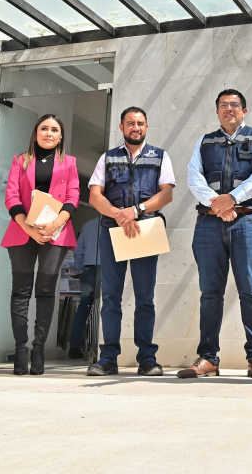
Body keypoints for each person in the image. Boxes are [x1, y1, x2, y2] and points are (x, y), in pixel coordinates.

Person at [179, 89, 252, 379]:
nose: (228, 108)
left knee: (251, 291)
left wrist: (232, 198)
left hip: (248, 222)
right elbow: (194, 177)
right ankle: (208, 359)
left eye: (234, 105)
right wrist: (217, 204)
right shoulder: (204, 142)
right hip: (209, 224)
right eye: (223, 105)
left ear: (244, 111)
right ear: (217, 111)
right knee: (210, 293)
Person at [86, 106, 175, 377]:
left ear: (146, 126)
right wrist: (119, 214)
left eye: (140, 123)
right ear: (122, 127)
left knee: (145, 298)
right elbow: (95, 196)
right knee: (111, 297)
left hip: (145, 230)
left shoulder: (160, 156)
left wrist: (136, 211)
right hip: (112, 232)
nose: (135, 127)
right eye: (130, 123)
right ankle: (108, 359)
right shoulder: (107, 158)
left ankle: (147, 358)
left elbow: (166, 194)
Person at [0, 114, 81, 375]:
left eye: (54, 129)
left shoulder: (69, 163)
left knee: (45, 291)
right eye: (44, 128)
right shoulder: (20, 160)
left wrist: (55, 224)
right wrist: (28, 228)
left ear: (60, 136)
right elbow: (11, 196)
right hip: (23, 231)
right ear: (35, 134)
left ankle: (38, 350)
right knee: (20, 291)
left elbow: (73, 197)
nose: (49, 133)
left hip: (56, 233)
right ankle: (20, 350)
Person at [67, 217, 101, 359]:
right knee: (108, 305)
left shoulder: (87, 225)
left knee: (84, 306)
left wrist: (79, 268)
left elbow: (78, 250)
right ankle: (100, 347)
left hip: (89, 269)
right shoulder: (115, 223)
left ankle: (74, 346)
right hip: (108, 268)